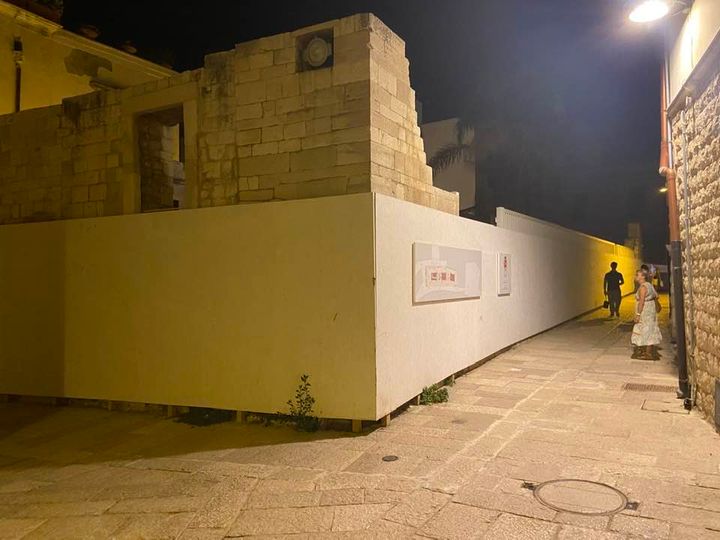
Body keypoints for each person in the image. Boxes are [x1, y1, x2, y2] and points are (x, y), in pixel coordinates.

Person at [631, 268, 662, 360]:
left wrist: (638, 314)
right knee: (650, 329)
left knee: (644, 329)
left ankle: (648, 353)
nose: (636, 276)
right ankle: (647, 351)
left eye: (638, 275)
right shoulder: (649, 285)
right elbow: (656, 296)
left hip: (645, 311)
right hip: (651, 311)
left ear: (643, 276)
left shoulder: (643, 287)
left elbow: (641, 302)